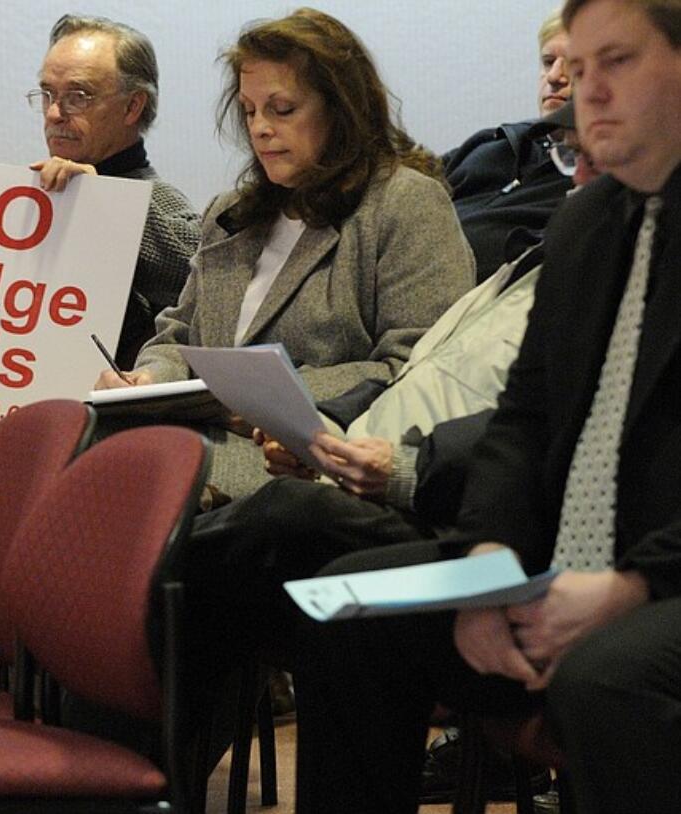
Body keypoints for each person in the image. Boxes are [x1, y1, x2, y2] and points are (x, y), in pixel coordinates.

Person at [292, 1, 681, 811]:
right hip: (566, 567)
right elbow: (522, 424)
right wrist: (485, 566)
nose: (587, 94)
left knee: (608, 678)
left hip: (664, 576)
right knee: (347, 607)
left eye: (618, 63)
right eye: (576, 70)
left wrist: (635, 583)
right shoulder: (582, 227)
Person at [94, 8, 474, 502]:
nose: (260, 128)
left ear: (341, 110)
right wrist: (146, 380)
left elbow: (416, 366)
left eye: (282, 109)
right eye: (250, 111)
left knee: (117, 494)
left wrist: (262, 399)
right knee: (60, 446)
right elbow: (177, 334)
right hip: (190, 438)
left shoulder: (405, 203)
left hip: (297, 462)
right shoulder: (231, 213)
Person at [28, 14, 200, 369]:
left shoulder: (159, 202)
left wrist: (104, 201)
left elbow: (205, 283)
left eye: (78, 96)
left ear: (132, 106)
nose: (55, 113)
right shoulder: (31, 194)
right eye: (47, 94)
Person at [445, 8, 576, 282]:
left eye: (574, 65)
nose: (554, 76)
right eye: (548, 61)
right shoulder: (495, 143)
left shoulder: (592, 185)